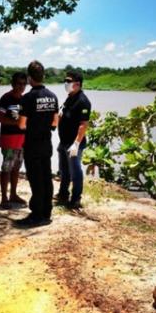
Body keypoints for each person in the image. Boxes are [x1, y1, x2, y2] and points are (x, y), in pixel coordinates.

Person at [15, 60, 59, 226]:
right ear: (43, 76)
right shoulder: (53, 97)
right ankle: (47, 213)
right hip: (46, 144)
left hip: (32, 144)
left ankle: (36, 215)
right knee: (47, 178)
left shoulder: (28, 98)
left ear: (29, 78)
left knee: (36, 180)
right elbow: (55, 124)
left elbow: (21, 125)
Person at [56, 71, 91, 210]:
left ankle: (76, 199)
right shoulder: (70, 97)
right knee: (64, 170)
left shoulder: (83, 101)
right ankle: (63, 194)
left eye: (68, 81)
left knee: (75, 172)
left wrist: (76, 144)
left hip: (74, 143)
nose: (66, 83)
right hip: (64, 141)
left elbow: (83, 124)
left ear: (77, 84)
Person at [0, 72, 28, 209]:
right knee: (6, 169)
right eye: (18, 83)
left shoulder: (25, 99)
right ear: (13, 84)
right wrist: (17, 123)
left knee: (16, 168)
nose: (21, 87)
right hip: (8, 140)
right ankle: (4, 198)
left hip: (22, 139)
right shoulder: (5, 98)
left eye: (23, 84)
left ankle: (13, 194)